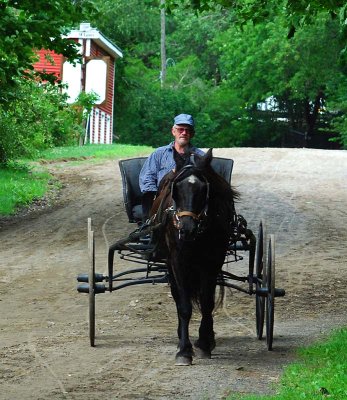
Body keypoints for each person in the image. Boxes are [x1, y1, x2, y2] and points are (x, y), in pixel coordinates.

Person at [139, 113, 204, 222]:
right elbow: (147, 178)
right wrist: (155, 196)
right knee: (147, 195)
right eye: (180, 129)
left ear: (192, 134)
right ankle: (148, 226)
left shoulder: (200, 157)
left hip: (189, 200)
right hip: (162, 199)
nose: (184, 133)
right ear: (173, 131)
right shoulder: (159, 154)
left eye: (188, 130)